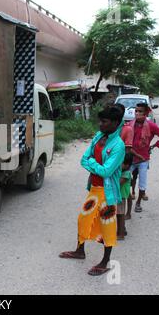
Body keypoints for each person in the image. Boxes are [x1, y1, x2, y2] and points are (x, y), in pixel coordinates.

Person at [59, 106, 125, 276]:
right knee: (83, 219)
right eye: (100, 121)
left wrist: (92, 165)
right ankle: (80, 251)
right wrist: (96, 166)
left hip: (107, 192)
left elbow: (106, 171)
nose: (100, 124)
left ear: (115, 123)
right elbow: (83, 159)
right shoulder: (98, 136)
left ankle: (105, 262)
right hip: (95, 188)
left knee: (107, 226)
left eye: (104, 121)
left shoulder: (118, 145)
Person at [129, 103, 159, 213]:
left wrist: (154, 145)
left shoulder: (151, 126)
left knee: (142, 182)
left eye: (140, 111)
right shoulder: (130, 124)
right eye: (136, 111)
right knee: (125, 179)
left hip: (143, 158)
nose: (137, 113)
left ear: (146, 113)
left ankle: (138, 203)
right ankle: (128, 197)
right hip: (130, 158)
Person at [117, 153, 134, 240]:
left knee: (120, 215)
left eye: (121, 163)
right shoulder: (124, 171)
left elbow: (119, 183)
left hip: (121, 196)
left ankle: (121, 234)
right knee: (119, 214)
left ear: (127, 165)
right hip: (120, 195)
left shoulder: (126, 174)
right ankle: (122, 229)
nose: (119, 165)